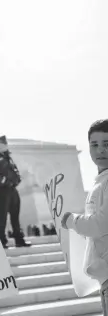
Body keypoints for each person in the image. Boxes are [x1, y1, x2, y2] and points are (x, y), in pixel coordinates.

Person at [61, 119, 108, 316]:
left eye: (107, 144)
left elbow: (100, 224)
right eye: (94, 145)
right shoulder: (99, 182)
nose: (100, 151)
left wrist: (71, 220)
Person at [0, 136, 31, 249]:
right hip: (1, 189)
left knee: (15, 216)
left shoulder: (8, 156)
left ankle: (19, 240)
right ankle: (1, 241)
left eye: (6, 144)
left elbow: (14, 169)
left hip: (12, 189)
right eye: (3, 144)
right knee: (2, 216)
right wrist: (3, 180)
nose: (6, 146)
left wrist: (17, 179)